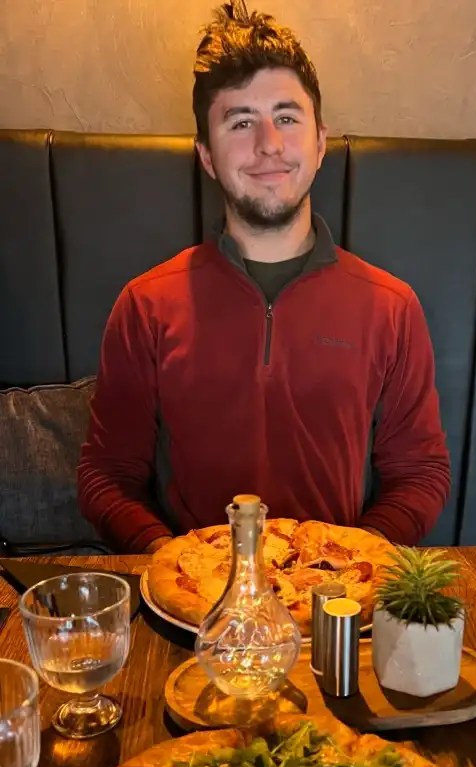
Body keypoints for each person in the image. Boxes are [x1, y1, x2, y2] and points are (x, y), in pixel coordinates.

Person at [78, 1, 450, 555]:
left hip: (335, 595)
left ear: (320, 143)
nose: (269, 144)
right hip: (194, 591)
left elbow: (420, 473)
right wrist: (168, 557)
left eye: (287, 117)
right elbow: (105, 475)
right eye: (241, 122)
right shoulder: (145, 304)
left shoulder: (391, 306)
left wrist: (353, 559)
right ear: (207, 156)